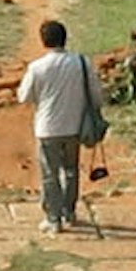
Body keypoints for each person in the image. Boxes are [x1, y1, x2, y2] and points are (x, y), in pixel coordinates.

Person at [15, 16, 103, 233]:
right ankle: (69, 212)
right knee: (71, 170)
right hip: (74, 126)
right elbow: (96, 95)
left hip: (48, 128)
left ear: (43, 41)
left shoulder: (37, 67)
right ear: (65, 39)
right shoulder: (81, 62)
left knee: (49, 173)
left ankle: (53, 218)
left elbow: (24, 96)